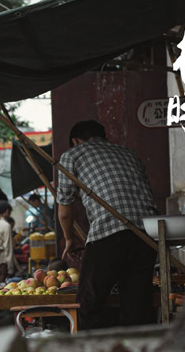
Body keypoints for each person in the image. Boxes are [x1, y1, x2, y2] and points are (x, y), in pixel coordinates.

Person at [57, 120, 158, 329]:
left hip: (108, 232)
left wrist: (69, 239)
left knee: (88, 305)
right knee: (136, 308)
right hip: (146, 234)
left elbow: (64, 212)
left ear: (75, 141)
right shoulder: (129, 153)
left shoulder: (71, 155)